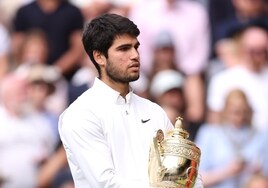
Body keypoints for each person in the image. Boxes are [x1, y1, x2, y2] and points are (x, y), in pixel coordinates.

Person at [58, 13, 203, 187]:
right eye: (124, 48)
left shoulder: (154, 111)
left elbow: (188, 174)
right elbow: (105, 183)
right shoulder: (80, 114)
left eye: (136, 47)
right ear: (99, 57)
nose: (135, 55)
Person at [196, 89, 268, 188]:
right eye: (235, 112)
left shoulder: (261, 136)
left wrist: (255, 172)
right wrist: (227, 171)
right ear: (225, 110)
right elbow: (196, 179)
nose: (239, 117)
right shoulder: (210, 133)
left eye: (243, 111)